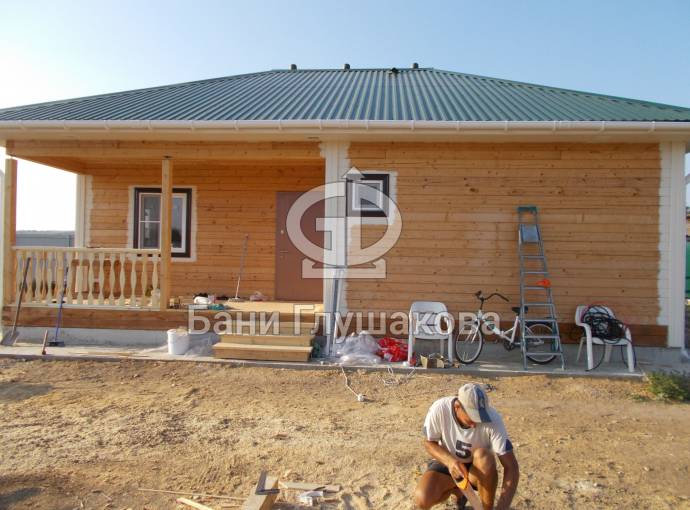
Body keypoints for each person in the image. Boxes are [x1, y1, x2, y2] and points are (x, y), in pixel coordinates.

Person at [414, 383, 519, 509]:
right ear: (457, 406)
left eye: (480, 418)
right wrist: (450, 462)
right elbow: (429, 443)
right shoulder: (440, 408)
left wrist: (502, 507)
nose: (475, 425)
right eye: (472, 418)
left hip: (476, 469)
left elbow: (511, 467)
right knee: (422, 498)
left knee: (484, 457)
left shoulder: (493, 419)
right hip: (447, 462)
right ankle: (458, 492)